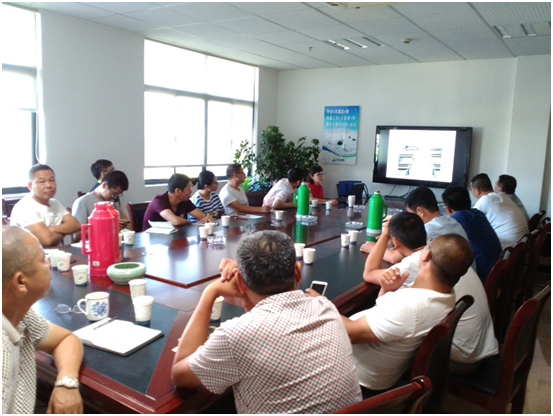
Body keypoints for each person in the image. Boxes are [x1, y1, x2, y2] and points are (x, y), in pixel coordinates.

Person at [171, 230, 362, 413]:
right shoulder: (324, 306)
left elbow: (180, 375)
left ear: (240, 282)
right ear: (297, 272)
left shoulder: (235, 335)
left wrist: (210, 292)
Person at [321, 234, 489, 392]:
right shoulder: (444, 295)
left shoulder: (410, 307)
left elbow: (350, 333)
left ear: (426, 255)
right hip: (377, 367)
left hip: (354, 377)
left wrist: (320, 302)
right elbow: (389, 317)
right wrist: (387, 290)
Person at [3, 225, 84, 414]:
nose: (48, 264)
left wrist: (66, 382)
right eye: (42, 260)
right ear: (21, 281)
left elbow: (66, 339)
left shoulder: (18, 314)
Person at [360, 186, 469, 265]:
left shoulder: (428, 230)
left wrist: (373, 248)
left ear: (420, 211)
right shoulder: (451, 221)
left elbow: (394, 258)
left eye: (410, 214)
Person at [10, 164, 81, 247]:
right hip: (32, 255)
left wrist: (51, 229)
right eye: (42, 182)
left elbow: (76, 225)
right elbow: (48, 241)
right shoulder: (24, 207)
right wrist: (66, 229)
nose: (49, 185)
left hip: (58, 252)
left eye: (51, 180)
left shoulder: (54, 203)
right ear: (30, 185)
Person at [442, 185, 502, 283]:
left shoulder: (459, 218)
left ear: (448, 208)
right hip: (495, 271)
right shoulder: (478, 213)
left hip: (482, 276)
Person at [471, 173, 529, 249]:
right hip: (519, 247)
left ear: (477, 190)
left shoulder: (486, 199)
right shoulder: (503, 195)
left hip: (506, 249)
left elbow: (469, 222)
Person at [142, 173, 213, 230]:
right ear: (178, 191)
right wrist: (188, 222)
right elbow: (176, 221)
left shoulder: (184, 200)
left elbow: (201, 216)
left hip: (174, 237)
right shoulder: (159, 201)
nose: (191, 191)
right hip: (151, 239)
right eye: (188, 189)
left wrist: (207, 216)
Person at [72, 170, 130, 239]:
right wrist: (108, 226)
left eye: (118, 195)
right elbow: (77, 235)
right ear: (104, 185)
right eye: (114, 193)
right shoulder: (82, 202)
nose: (115, 197)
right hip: (92, 244)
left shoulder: (111, 202)